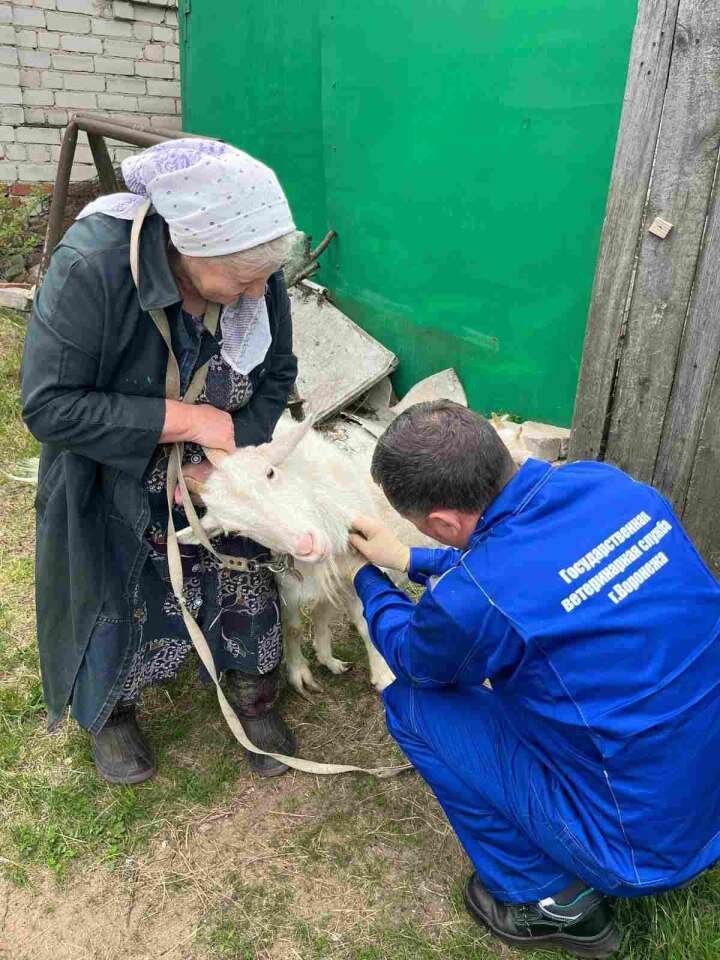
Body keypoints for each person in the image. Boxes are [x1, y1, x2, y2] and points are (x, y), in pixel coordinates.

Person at [349, 400, 720, 959]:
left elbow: (415, 656)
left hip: (641, 852)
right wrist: (412, 557)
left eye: (430, 531)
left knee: (414, 706)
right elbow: (525, 565)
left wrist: (366, 579)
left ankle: (550, 901)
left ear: (446, 522)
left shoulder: (473, 599)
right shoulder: (607, 486)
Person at [21, 138, 303, 783]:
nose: (258, 293)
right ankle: (113, 711)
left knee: (242, 563)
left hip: (216, 463)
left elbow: (277, 369)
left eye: (266, 277)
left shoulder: (252, 267)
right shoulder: (91, 267)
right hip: (109, 467)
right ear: (190, 247)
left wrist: (224, 461)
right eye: (243, 281)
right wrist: (188, 421)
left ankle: (251, 690)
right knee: (110, 582)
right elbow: (49, 406)